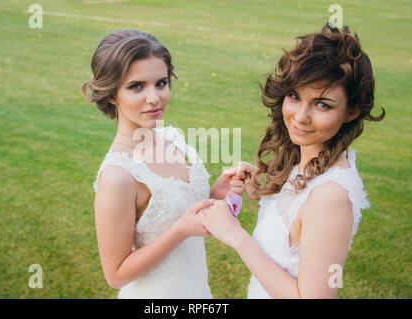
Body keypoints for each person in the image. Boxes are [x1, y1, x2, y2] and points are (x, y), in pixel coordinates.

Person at [198, 23, 385, 298]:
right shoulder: (309, 162)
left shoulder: (331, 196)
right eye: (295, 96)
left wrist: (237, 237)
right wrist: (263, 190)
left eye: (322, 104)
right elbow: (297, 230)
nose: (300, 116)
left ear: (351, 111)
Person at [81, 29, 243, 299]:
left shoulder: (172, 138)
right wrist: (181, 230)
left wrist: (215, 194)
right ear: (112, 95)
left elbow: (178, 212)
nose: (154, 98)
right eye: (136, 86)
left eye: (161, 83)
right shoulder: (118, 176)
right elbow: (116, 274)